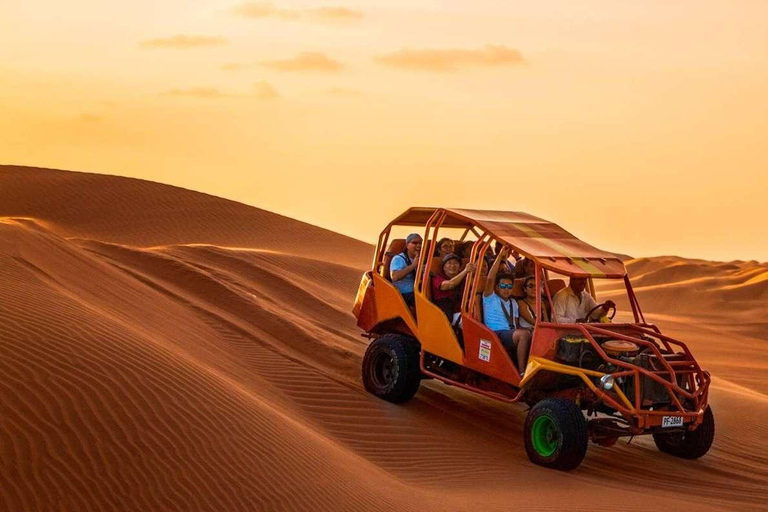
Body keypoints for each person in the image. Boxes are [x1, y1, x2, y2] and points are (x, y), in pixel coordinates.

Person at [483, 247, 531, 375]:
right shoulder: (490, 298)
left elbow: (515, 323)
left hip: (509, 333)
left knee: (533, 333)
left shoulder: (513, 303)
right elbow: (490, 279)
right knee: (524, 335)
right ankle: (522, 372)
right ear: (497, 287)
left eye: (509, 286)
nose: (506, 289)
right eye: (503, 286)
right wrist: (500, 257)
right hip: (495, 333)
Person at [431, 254, 476, 322]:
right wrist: (465, 271)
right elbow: (450, 284)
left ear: (459, 267)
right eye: (449, 263)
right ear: (444, 267)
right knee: (466, 321)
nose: (452, 266)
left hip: (462, 310)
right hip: (445, 314)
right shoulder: (437, 278)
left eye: (455, 263)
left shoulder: (465, 279)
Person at [390, 233, 421, 306]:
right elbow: (395, 277)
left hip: (417, 292)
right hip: (403, 294)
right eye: (414, 243)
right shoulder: (398, 259)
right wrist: (413, 266)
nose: (418, 246)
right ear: (407, 245)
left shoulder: (421, 259)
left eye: (420, 243)